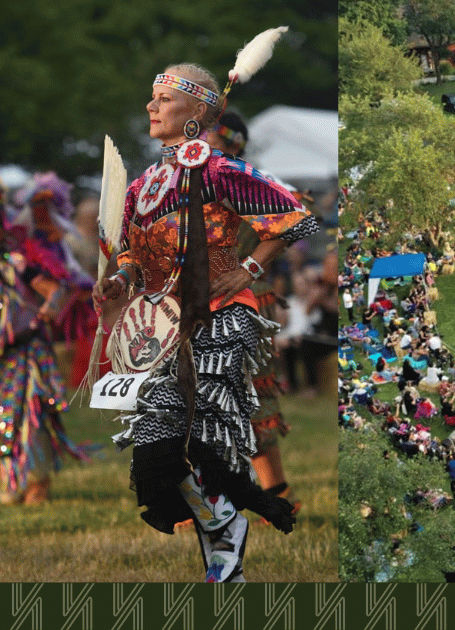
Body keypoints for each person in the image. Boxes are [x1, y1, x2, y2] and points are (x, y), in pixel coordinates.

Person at [93, 54, 312, 582]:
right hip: (160, 325)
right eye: (153, 96)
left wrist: (250, 267)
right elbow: (130, 253)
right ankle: (223, 524)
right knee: (155, 443)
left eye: (164, 98)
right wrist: (120, 280)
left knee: (206, 437)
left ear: (196, 112)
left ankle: (225, 544)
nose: (151, 105)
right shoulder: (146, 183)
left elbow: (299, 218)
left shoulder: (218, 170)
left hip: (219, 316)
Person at [0, 183, 88, 505]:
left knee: (31, 416)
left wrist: (48, 311)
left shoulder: (17, 261)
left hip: (26, 351)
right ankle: (11, 481)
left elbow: (58, 290)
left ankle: (38, 483)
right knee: (3, 418)